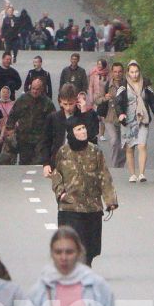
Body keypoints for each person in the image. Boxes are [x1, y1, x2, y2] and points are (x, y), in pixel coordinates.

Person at [43, 86, 118, 262]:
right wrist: (58, 187)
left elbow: (104, 176)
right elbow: (56, 171)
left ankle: (86, 263)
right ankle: (77, 265)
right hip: (70, 202)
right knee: (73, 239)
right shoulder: (61, 150)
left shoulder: (94, 151)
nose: (68, 107)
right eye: (65, 104)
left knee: (90, 247)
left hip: (92, 203)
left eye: (71, 103)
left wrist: (110, 200)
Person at [115, 60, 154, 184]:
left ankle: (142, 173)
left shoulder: (146, 86)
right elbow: (118, 102)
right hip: (128, 120)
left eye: (136, 72)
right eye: (132, 72)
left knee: (142, 145)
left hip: (143, 119)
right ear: (128, 73)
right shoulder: (123, 86)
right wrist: (120, 114)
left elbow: (152, 103)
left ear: (139, 72)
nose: (135, 74)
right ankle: (132, 174)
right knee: (130, 147)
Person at [7, 75, 54, 167]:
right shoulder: (23, 99)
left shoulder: (47, 103)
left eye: (37, 89)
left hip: (40, 138)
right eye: (33, 88)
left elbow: (53, 120)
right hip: (24, 137)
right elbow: (13, 115)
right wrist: (10, 130)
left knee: (39, 162)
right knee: (24, 162)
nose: (35, 91)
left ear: (42, 89)